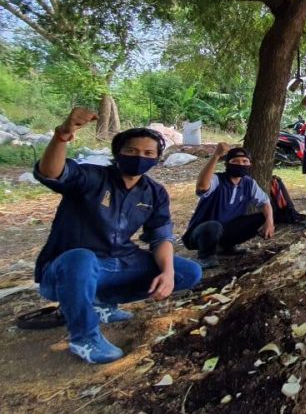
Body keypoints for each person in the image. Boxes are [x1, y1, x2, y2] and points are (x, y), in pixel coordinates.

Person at [32, 108, 201, 364]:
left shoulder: (154, 193)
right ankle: (84, 337)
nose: (139, 157)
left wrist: (167, 273)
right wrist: (62, 135)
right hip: (67, 270)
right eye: (131, 151)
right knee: (81, 258)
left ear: (157, 159)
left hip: (118, 262)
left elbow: (160, 236)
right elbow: (52, 172)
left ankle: (102, 302)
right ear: (117, 153)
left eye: (148, 153)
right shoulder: (91, 177)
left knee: (187, 272)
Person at [182, 144, 275, 269]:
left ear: (250, 165)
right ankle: (206, 257)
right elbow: (202, 187)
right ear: (227, 164)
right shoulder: (217, 180)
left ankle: (227, 247)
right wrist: (216, 156)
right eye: (235, 161)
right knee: (213, 226)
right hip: (201, 234)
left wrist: (269, 222)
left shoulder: (249, 183)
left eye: (244, 161)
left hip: (226, 231)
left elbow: (264, 202)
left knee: (264, 217)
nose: (240, 164)